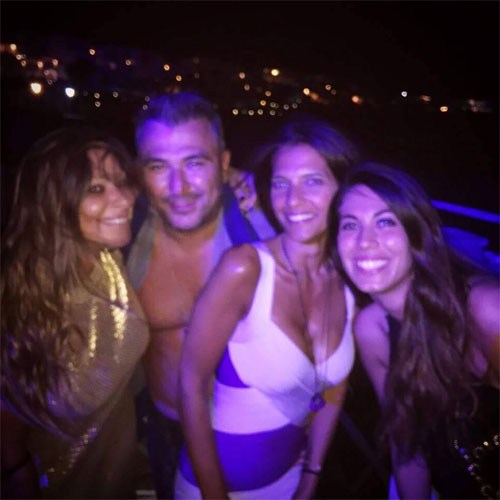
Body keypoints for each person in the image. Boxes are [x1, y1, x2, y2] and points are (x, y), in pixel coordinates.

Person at [177, 117, 359, 499]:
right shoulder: (246, 269)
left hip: (290, 483)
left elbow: (333, 390)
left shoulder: (348, 279)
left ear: (344, 188)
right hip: (211, 488)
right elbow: (191, 383)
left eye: (313, 181)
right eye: (280, 184)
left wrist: (311, 478)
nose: (292, 200)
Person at [125, 90, 276, 499]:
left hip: (257, 434)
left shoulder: (260, 228)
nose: (179, 187)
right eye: (159, 166)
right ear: (140, 172)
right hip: (165, 430)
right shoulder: (122, 239)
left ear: (224, 165)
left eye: (195, 163)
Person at [329, 162, 499, 499]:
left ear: (417, 232)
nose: (364, 242)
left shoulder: (485, 309)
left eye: (385, 221)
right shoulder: (372, 329)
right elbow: (407, 443)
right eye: (349, 225)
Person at [1, 126, 151, 498]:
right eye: (96, 188)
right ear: (55, 201)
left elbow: (178, 203)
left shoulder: (107, 256)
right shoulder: (27, 299)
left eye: (121, 182)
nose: (123, 199)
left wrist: (233, 184)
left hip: (119, 473)